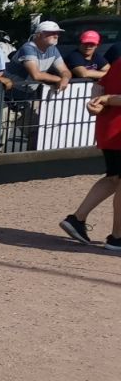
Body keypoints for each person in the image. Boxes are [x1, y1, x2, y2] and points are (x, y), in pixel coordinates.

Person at [58, 54, 121, 250]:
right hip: (117, 130)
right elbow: (103, 92)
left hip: (108, 127)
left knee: (113, 178)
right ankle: (118, 237)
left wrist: (98, 103)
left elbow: (98, 87)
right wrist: (108, 100)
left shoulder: (118, 63)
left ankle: (77, 218)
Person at [7, 20, 72, 152]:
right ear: (40, 35)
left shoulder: (53, 49)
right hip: (6, 98)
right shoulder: (28, 48)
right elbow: (36, 74)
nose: (56, 36)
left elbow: (65, 70)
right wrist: (58, 79)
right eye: (52, 33)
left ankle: (29, 165)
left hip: (26, 98)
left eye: (58, 33)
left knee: (35, 134)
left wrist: (65, 78)